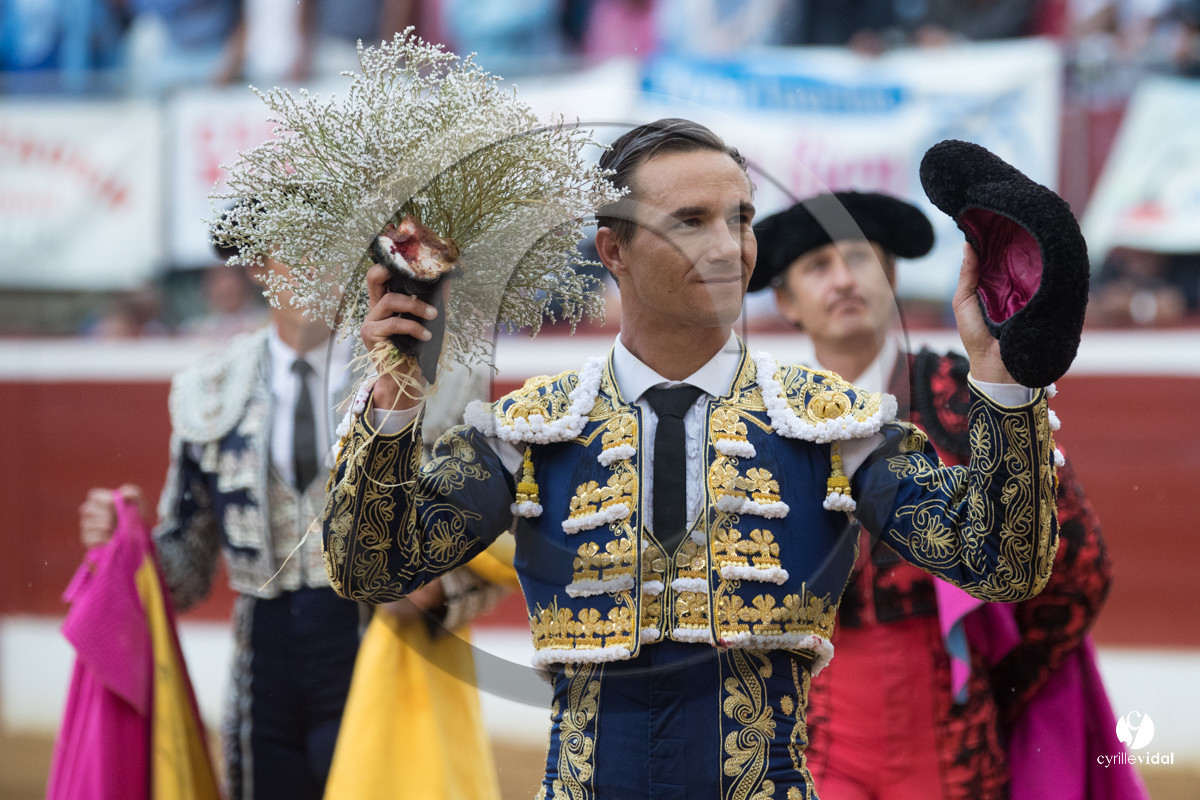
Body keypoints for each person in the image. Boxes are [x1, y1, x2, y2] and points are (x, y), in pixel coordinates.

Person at [321, 118, 1060, 797]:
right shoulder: (530, 429)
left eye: (739, 218)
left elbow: (1000, 562)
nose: (727, 246)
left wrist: (1001, 377)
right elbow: (370, 568)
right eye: (690, 222)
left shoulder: (831, 423)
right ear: (613, 249)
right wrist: (394, 395)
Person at [78, 253, 505, 800]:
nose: (318, 263)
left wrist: (440, 588)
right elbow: (186, 568)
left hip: (382, 648)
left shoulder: (435, 375)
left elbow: (492, 537)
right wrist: (126, 545)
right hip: (263, 663)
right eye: (296, 246)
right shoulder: (210, 386)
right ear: (256, 263)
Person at [752, 190, 1118, 799]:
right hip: (816, 734)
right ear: (786, 300)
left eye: (861, 259)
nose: (843, 281)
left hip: (947, 728)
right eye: (818, 267)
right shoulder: (770, 423)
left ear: (891, 275)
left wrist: (1001, 689)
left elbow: (1078, 565)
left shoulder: (963, 393)